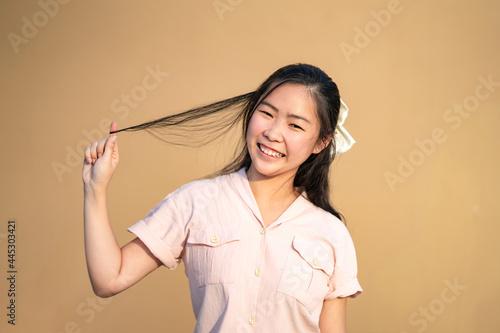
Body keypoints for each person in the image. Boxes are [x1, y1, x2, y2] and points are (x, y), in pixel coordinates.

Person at [82, 63, 362, 333]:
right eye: (266, 113)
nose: (273, 133)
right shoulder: (196, 201)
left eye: (295, 126)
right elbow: (110, 279)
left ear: (322, 142)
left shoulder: (331, 233)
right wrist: (95, 188)